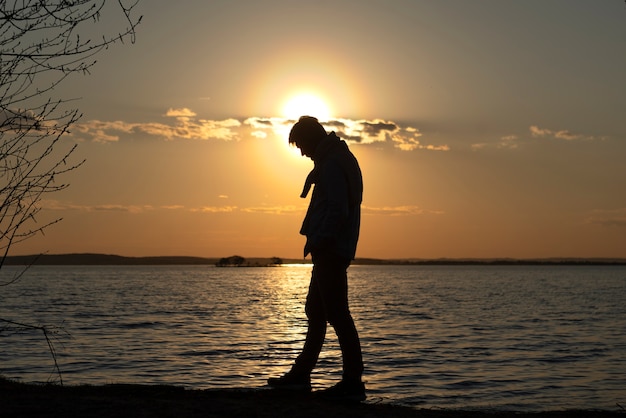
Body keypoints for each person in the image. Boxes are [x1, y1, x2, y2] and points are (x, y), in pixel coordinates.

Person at [267, 116, 365, 401]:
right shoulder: (335, 159)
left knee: (337, 315)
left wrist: (321, 241)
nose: (301, 152)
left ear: (311, 139)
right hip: (331, 248)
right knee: (317, 312)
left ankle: (352, 383)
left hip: (331, 250)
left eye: (301, 146)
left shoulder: (333, 164)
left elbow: (337, 210)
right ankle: (301, 375)